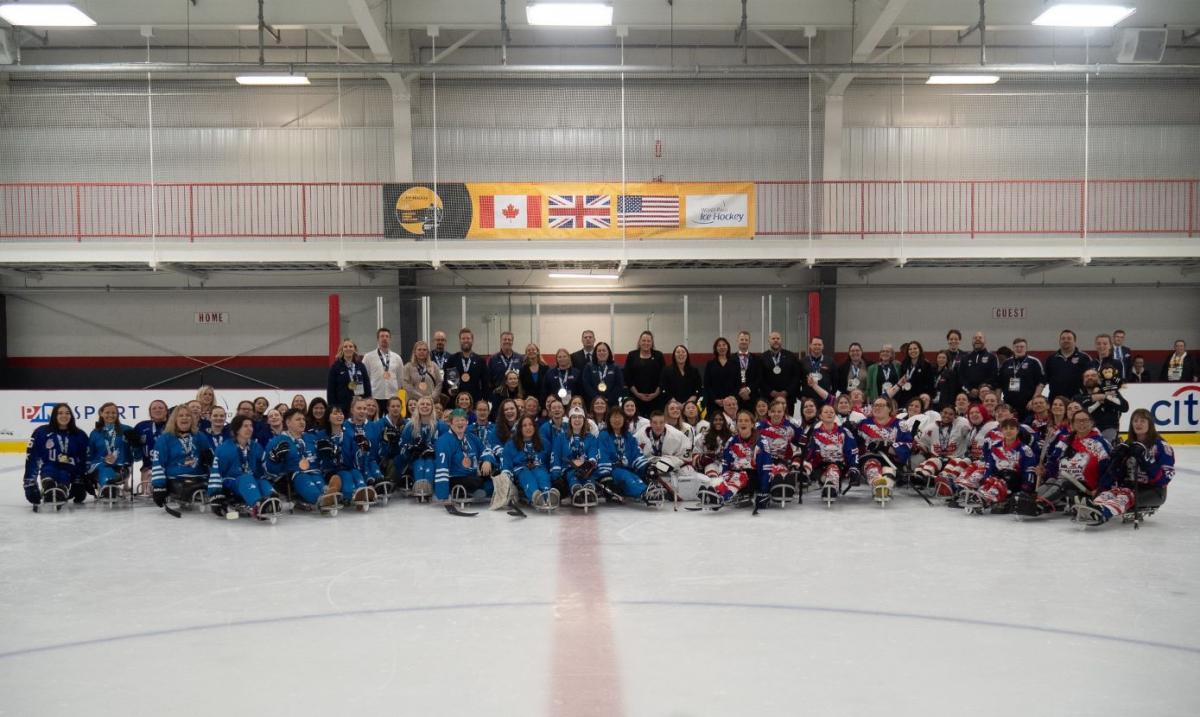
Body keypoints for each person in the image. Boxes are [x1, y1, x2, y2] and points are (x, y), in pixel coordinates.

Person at [1076, 408, 1174, 526]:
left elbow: (1164, 479)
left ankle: (1101, 513)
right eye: (1135, 421)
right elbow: (1119, 476)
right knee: (1110, 493)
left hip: (1154, 491)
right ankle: (1092, 507)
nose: (1138, 424)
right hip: (1129, 487)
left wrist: (1147, 460)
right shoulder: (1128, 444)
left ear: (1150, 424)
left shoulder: (1161, 446)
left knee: (1124, 496)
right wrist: (1116, 462)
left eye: (1142, 421)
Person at [1016, 408, 1111, 517]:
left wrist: (1101, 489)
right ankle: (1031, 500)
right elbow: (1053, 462)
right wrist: (1045, 471)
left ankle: (1040, 504)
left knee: (1063, 483)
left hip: (1087, 487)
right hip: (1062, 481)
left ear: (1091, 422)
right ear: (1073, 424)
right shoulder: (1066, 441)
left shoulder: (1099, 443)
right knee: (1052, 480)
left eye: (1085, 420)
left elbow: (1108, 469)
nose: (1081, 423)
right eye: (1078, 421)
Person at [264, 408, 341, 512]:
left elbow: (322, 462)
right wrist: (274, 459)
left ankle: (327, 491)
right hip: (292, 477)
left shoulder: (312, 438)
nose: (302, 422)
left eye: (303, 419)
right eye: (298, 419)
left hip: (314, 472)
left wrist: (328, 454)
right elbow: (270, 470)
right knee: (302, 477)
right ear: (288, 422)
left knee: (316, 476)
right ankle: (321, 500)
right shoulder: (277, 441)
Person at [207, 415, 279, 521]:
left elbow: (265, 468)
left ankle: (272, 501)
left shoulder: (256, 446)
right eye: (245, 426)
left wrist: (274, 460)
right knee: (246, 478)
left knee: (263, 482)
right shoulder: (224, 449)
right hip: (232, 482)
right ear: (237, 429)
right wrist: (215, 494)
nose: (249, 428)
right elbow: (215, 473)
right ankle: (258, 504)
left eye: (251, 426)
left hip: (252, 481)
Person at [960, 417, 1038, 514]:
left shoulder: (1025, 449)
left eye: (1012, 428)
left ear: (1017, 431)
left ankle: (985, 498)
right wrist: (986, 479)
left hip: (1015, 480)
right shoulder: (996, 447)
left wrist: (1026, 488)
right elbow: (990, 466)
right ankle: (978, 494)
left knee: (1006, 477)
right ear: (1002, 431)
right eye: (1006, 428)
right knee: (992, 479)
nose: (1008, 431)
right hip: (999, 476)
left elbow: (1029, 470)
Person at [150, 404, 216, 513]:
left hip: (200, 477)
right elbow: (158, 464)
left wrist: (211, 461)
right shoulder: (165, 439)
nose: (184, 418)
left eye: (188, 415)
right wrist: (159, 487)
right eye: (180, 415)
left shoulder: (200, 436)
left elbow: (212, 464)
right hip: (177, 478)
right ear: (174, 419)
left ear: (192, 419)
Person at [23, 403, 90, 510]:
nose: (64, 416)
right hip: (49, 468)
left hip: (69, 471)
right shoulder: (41, 432)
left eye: (67, 413)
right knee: (49, 472)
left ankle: (62, 489)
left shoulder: (80, 435)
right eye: (60, 413)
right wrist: (29, 483)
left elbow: (84, 460)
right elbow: (32, 458)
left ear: (71, 416)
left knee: (64, 475)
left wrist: (79, 481)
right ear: (54, 415)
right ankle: (48, 487)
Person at [596, 408, 664, 506]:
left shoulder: (629, 436)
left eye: (619, 417)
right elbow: (602, 455)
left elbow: (636, 454)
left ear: (624, 420)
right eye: (614, 417)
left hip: (628, 469)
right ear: (609, 420)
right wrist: (605, 476)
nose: (617, 420)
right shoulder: (604, 435)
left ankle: (647, 491)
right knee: (626, 477)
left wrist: (646, 467)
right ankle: (644, 493)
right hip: (613, 470)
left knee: (635, 477)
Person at [855, 397, 913, 504]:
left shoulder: (900, 424)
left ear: (889, 409)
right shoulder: (863, 424)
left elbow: (908, 444)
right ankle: (878, 483)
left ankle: (885, 486)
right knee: (872, 465)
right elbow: (854, 444)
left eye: (881, 405)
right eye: (875, 405)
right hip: (870, 457)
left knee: (888, 471)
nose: (877, 408)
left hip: (891, 459)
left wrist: (887, 447)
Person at [434, 408, 497, 504]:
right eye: (457, 420)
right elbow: (442, 468)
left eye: (463, 420)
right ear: (450, 423)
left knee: (494, 478)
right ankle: (476, 492)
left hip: (473, 476)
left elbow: (486, 450)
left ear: (467, 422)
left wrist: (487, 460)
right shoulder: (444, 441)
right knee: (477, 482)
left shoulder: (471, 437)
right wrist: (443, 496)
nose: (460, 423)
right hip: (455, 478)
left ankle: (478, 493)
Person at [803, 404, 860, 504]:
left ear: (835, 415)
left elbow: (852, 451)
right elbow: (808, 454)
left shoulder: (844, 432)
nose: (829, 414)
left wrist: (853, 468)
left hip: (840, 466)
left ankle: (831, 487)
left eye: (832, 412)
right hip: (820, 467)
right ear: (820, 416)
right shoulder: (814, 433)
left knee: (833, 467)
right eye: (826, 412)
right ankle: (825, 483)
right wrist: (805, 469)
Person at [755, 398, 805, 503]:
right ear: (769, 412)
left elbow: (802, 442)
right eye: (773, 411)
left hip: (782, 460)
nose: (776, 414)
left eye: (779, 411)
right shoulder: (760, 426)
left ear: (783, 412)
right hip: (764, 461)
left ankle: (783, 485)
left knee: (782, 472)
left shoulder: (790, 426)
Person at [503, 415, 556, 510]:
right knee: (526, 475)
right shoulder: (511, 444)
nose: (528, 427)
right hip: (521, 472)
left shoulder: (544, 443)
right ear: (520, 429)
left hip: (538, 468)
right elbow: (506, 465)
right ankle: (535, 496)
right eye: (524, 425)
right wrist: (507, 480)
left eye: (531, 424)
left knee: (542, 474)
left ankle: (548, 495)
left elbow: (550, 462)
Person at [911, 405, 972, 489]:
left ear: (955, 416)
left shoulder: (960, 426)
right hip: (938, 458)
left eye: (951, 414)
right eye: (945, 413)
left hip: (954, 459)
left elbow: (970, 432)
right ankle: (920, 476)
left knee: (953, 466)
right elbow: (924, 444)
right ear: (940, 413)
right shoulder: (931, 428)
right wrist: (917, 446)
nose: (947, 416)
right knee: (930, 462)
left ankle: (945, 480)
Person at [86, 402, 136, 501]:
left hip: (120, 468)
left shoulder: (127, 430)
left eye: (113, 413)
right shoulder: (95, 433)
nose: (110, 415)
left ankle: (108, 489)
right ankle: (109, 487)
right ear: (101, 413)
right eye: (107, 412)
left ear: (117, 414)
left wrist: (135, 444)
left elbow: (136, 453)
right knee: (103, 467)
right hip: (99, 467)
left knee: (107, 468)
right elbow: (90, 454)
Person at [552, 407, 601, 509]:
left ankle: (589, 490)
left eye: (580, 417)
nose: (577, 420)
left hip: (586, 469)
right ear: (570, 421)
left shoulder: (590, 437)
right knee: (572, 475)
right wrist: (556, 474)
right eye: (574, 417)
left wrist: (590, 464)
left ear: (584, 420)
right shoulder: (561, 437)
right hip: (569, 469)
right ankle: (576, 491)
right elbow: (556, 455)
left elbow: (593, 452)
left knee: (588, 476)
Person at [400, 396, 445, 500]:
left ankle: (428, 488)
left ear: (432, 407)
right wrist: (411, 448)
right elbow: (403, 445)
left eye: (428, 404)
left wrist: (434, 450)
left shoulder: (440, 425)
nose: (425, 406)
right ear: (418, 407)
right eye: (422, 404)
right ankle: (420, 488)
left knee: (429, 463)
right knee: (419, 464)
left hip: (434, 459)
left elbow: (445, 444)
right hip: (416, 459)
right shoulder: (410, 426)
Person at [1076, 368, 1129, 443]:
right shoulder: (1078, 397)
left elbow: (1125, 407)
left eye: (1093, 375)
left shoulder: (1110, 390)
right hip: (1085, 432)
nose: (1090, 377)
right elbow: (1079, 412)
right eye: (1087, 376)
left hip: (1108, 430)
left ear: (1099, 378)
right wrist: (1101, 397)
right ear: (1083, 381)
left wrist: (1106, 397)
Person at [362, 327, 404, 416]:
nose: (384, 338)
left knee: (392, 421)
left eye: (387, 336)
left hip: (392, 396)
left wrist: (397, 393)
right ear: (378, 339)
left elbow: (400, 378)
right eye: (382, 336)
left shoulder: (397, 358)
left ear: (390, 339)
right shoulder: (368, 357)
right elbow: (365, 377)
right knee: (375, 421)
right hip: (375, 396)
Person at [1000, 338, 1045, 419]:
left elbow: (1041, 383)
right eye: (1017, 347)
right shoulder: (1006, 363)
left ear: (1026, 348)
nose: (1019, 349)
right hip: (1009, 404)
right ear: (1013, 348)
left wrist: (1034, 400)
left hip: (1027, 404)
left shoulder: (1034, 362)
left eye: (1022, 347)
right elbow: (1000, 383)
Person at [624, 331, 666, 416]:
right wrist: (638, 394)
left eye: (648, 341)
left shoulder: (659, 355)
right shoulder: (632, 355)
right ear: (639, 342)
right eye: (643, 340)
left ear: (652, 343)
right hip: (635, 397)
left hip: (656, 398)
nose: (646, 343)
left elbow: (663, 377)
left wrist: (655, 394)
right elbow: (627, 377)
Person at [443, 328, 488, 408]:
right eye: (463, 338)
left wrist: (484, 399)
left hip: (474, 401)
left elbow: (485, 382)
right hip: (455, 400)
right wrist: (449, 389)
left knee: (472, 420)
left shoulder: (480, 360)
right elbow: (446, 378)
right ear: (460, 340)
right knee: (458, 420)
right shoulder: (452, 359)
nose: (465, 340)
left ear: (472, 340)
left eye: (468, 338)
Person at [327, 339, 371, 415]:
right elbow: (331, 389)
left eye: (351, 346)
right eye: (345, 347)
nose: (348, 348)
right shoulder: (335, 367)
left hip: (360, 406)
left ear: (354, 349)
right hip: (342, 406)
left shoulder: (361, 366)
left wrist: (367, 401)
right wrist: (333, 407)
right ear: (342, 350)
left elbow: (367, 385)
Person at [1045, 329, 1091, 400]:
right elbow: (1044, 380)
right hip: (1055, 400)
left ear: (1075, 341)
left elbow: (1090, 379)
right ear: (1059, 341)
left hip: (1077, 399)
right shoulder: (1051, 358)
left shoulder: (1084, 358)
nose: (1066, 340)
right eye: (1063, 338)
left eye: (1069, 338)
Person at [702, 336, 739, 416]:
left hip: (731, 403)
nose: (722, 347)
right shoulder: (710, 364)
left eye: (724, 345)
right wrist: (715, 399)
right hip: (714, 403)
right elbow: (707, 384)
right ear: (715, 348)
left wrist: (729, 399)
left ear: (728, 347)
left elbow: (737, 383)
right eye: (719, 345)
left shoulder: (735, 363)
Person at [581, 341, 623, 407]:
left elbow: (619, 385)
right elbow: (586, 385)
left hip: (611, 403)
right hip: (594, 402)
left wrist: (608, 399)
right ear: (595, 353)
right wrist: (597, 399)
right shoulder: (589, 366)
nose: (601, 352)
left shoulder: (615, 367)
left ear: (608, 352)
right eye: (599, 351)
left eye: (604, 350)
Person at [958, 331, 998, 398]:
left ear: (985, 341)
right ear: (972, 341)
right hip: (968, 395)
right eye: (975, 338)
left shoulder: (992, 357)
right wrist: (969, 389)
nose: (977, 339)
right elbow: (961, 377)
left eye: (980, 337)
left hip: (985, 396)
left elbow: (993, 376)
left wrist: (980, 389)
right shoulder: (965, 358)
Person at [798, 336, 835, 408]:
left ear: (823, 346)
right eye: (815, 344)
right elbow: (797, 380)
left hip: (825, 399)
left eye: (819, 345)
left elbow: (835, 381)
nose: (817, 346)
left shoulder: (830, 361)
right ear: (810, 346)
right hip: (807, 400)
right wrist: (800, 396)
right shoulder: (802, 362)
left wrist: (831, 396)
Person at [895, 341, 934, 408]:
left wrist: (926, 398)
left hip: (919, 398)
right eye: (910, 349)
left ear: (920, 350)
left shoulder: (926, 365)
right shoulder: (904, 364)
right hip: (905, 398)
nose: (912, 351)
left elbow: (930, 384)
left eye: (915, 348)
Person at [732, 331, 762, 411]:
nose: (744, 341)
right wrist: (740, 391)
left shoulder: (757, 359)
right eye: (742, 339)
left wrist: (748, 389)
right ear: (737, 341)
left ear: (749, 341)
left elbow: (759, 377)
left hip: (752, 396)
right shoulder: (730, 359)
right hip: (735, 397)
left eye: (746, 340)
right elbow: (729, 378)